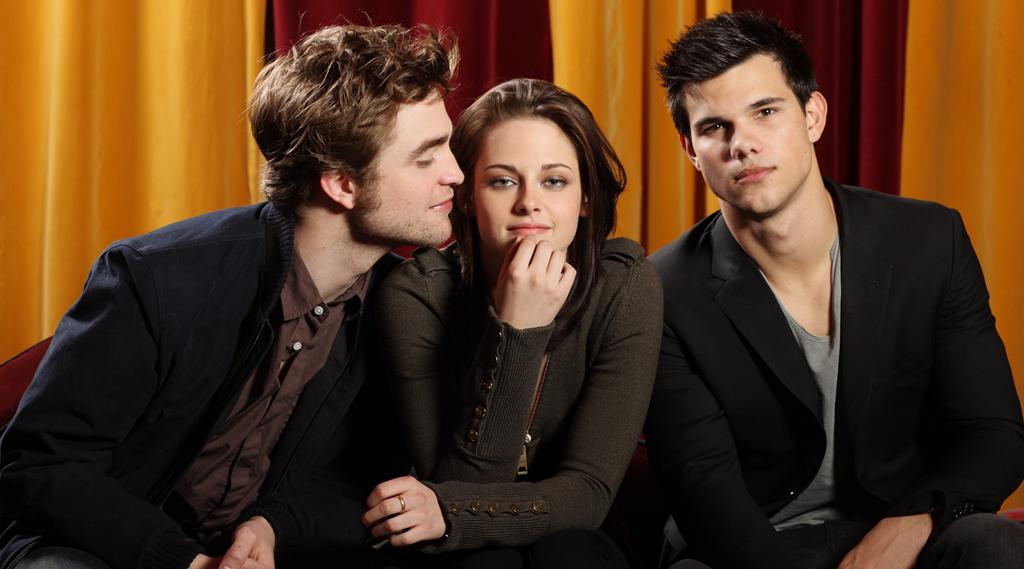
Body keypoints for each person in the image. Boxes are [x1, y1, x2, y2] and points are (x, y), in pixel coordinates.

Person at [0, 24, 463, 569]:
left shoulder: (402, 300)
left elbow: (368, 473)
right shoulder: (156, 277)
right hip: (99, 549)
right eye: (426, 158)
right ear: (341, 184)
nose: (456, 173)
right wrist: (185, 561)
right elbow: (41, 464)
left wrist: (272, 527)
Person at [644, 11, 1024, 569]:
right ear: (690, 150)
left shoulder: (927, 240)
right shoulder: (661, 289)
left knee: (994, 543)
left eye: (765, 112)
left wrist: (910, 526)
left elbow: (991, 431)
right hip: (752, 547)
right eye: (714, 127)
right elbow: (703, 488)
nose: (741, 144)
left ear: (813, 116)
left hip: (902, 528)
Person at [364, 78, 663, 568]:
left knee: (571, 554)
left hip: (576, 540)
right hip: (457, 554)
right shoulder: (416, 295)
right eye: (502, 181)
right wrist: (517, 332)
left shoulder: (625, 286)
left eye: (554, 181)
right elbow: (459, 484)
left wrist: (454, 512)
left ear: (585, 199)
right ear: (466, 196)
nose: (529, 202)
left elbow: (588, 491)